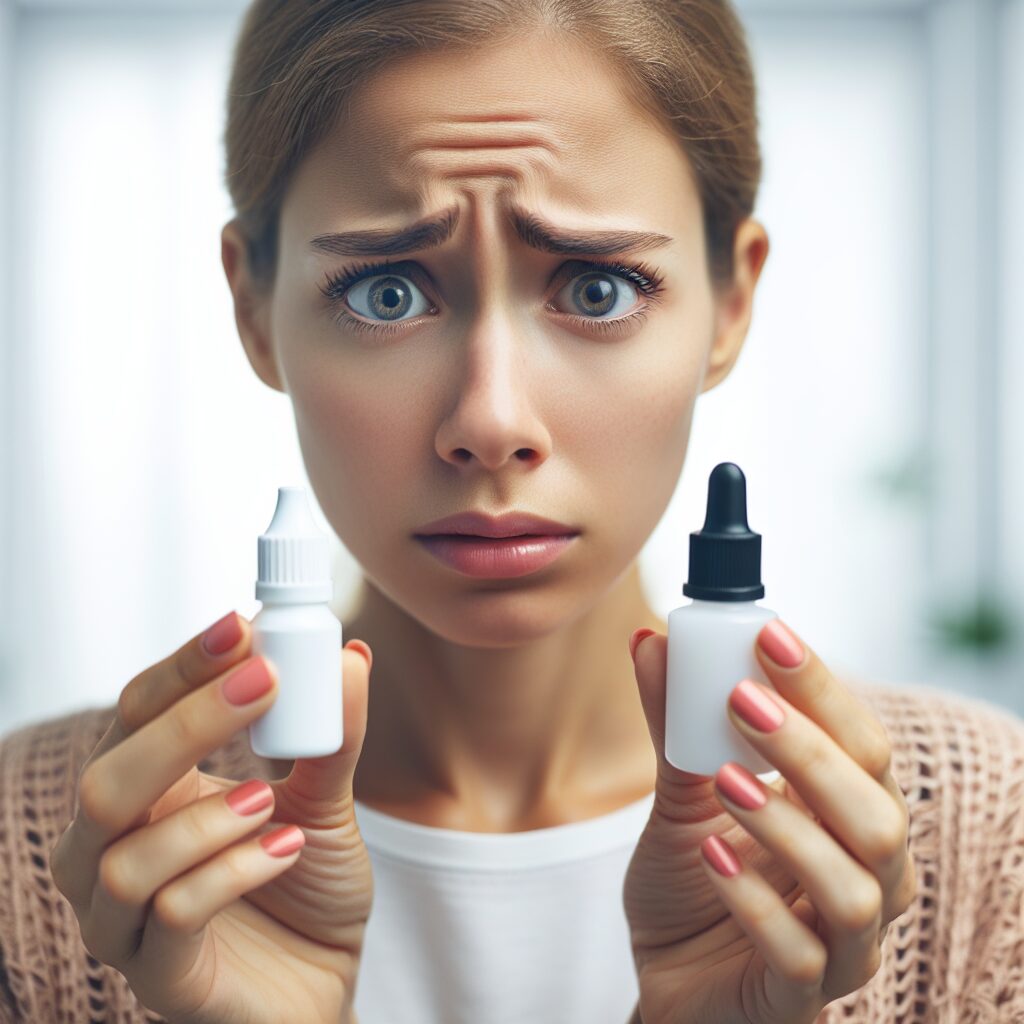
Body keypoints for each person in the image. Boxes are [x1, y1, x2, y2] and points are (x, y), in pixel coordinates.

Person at [1, 1, 1022, 1021]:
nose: (491, 422)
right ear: (252, 308)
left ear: (732, 301)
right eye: (387, 292)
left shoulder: (981, 831)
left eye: (596, 288)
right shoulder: (29, 845)